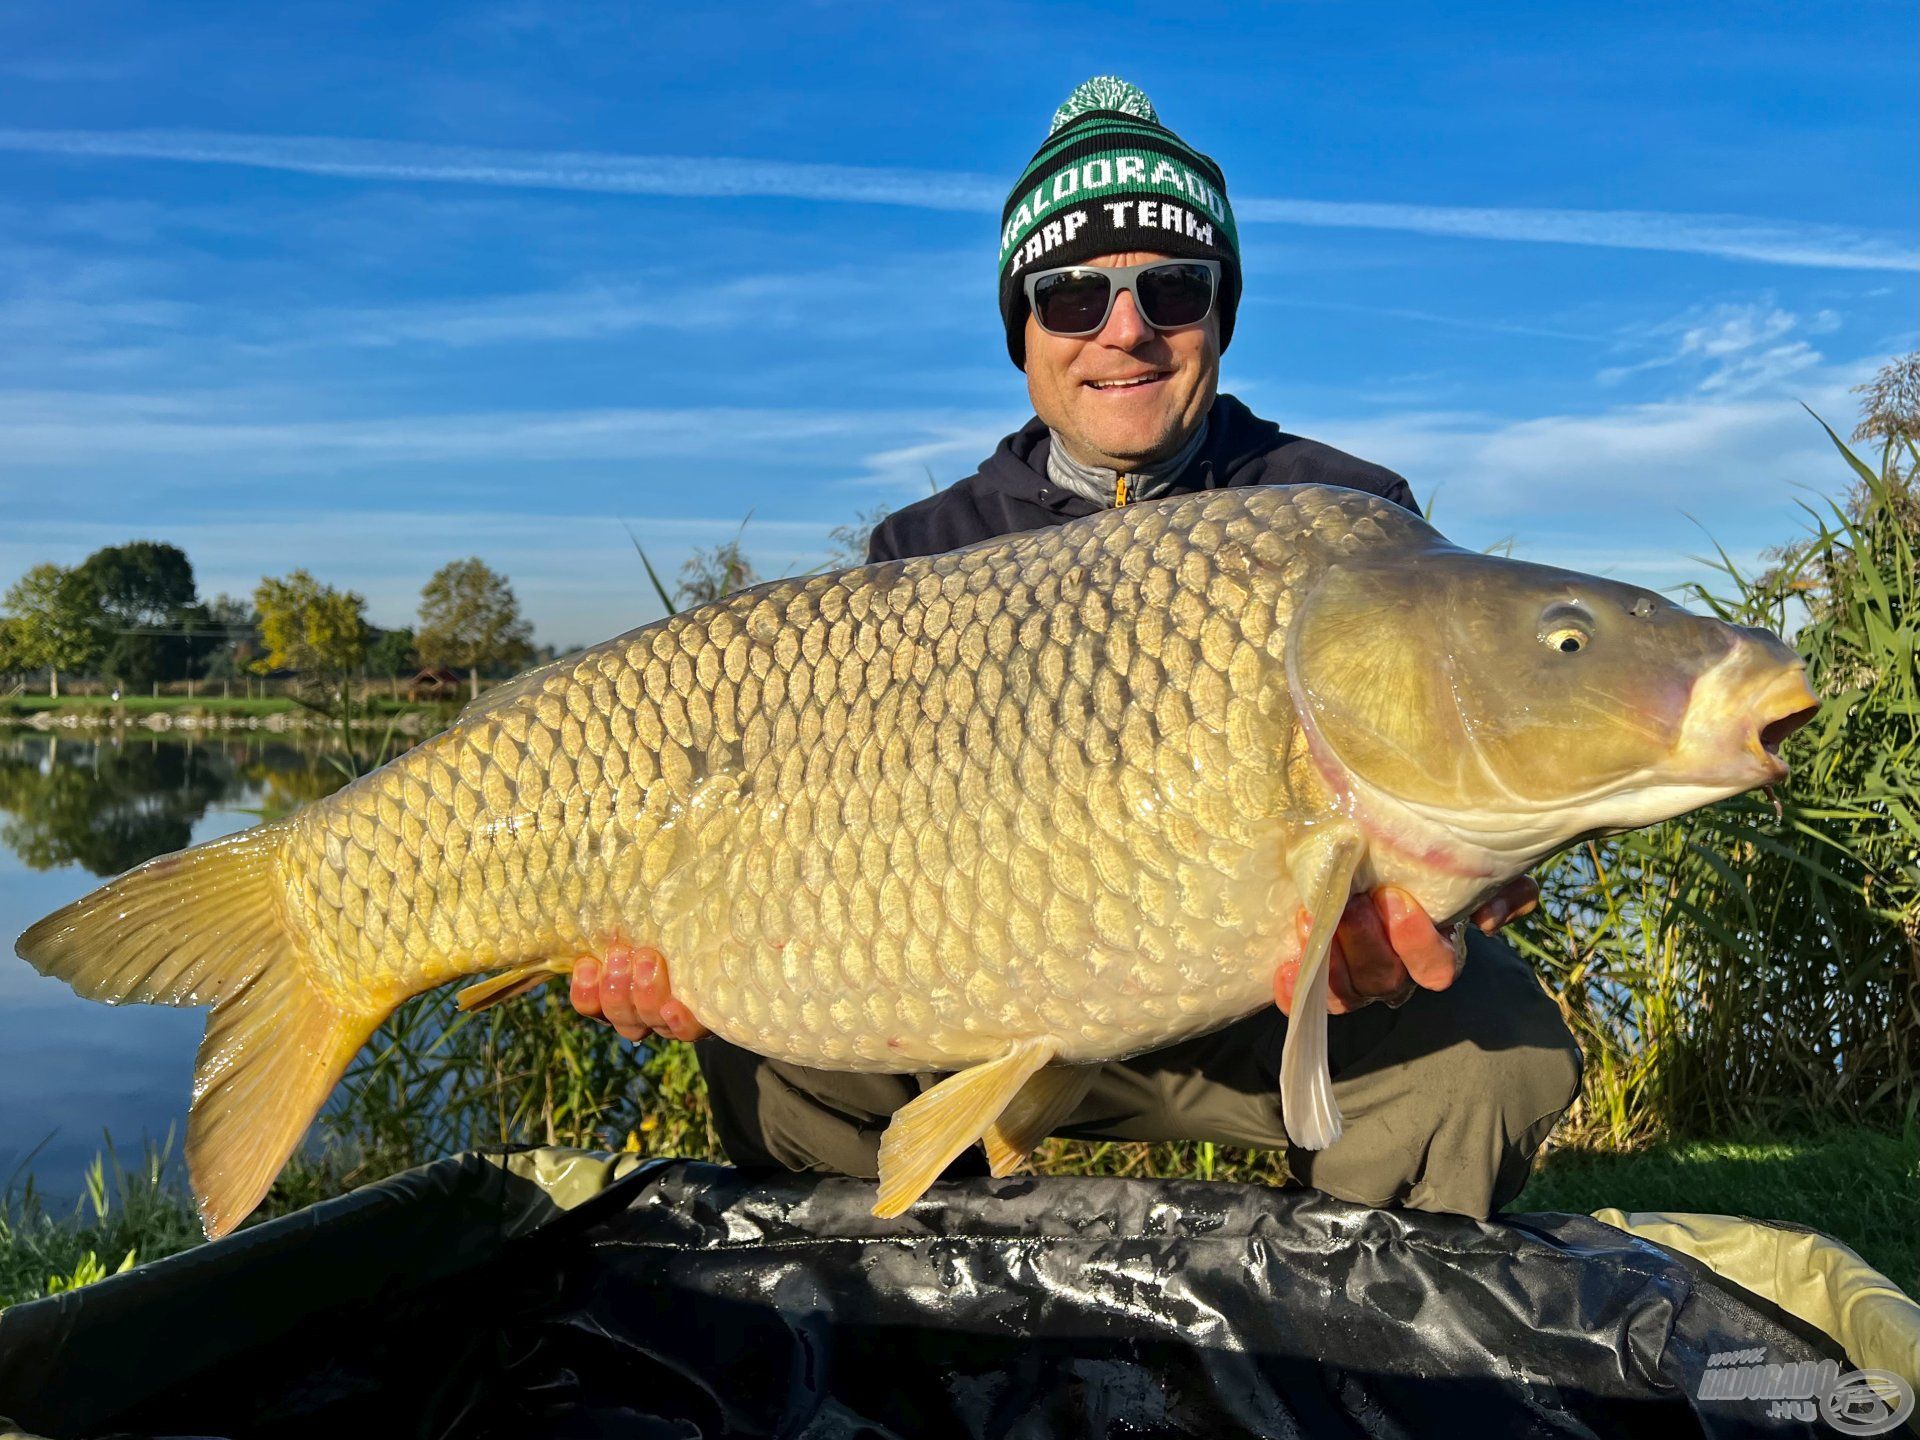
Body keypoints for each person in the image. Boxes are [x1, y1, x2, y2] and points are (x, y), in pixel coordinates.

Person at [571, 77, 1582, 1220]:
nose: (1126, 331)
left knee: (1496, 1050)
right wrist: (702, 949)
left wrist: (1473, 871)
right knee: (766, 1060)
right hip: (972, 993)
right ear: (1022, 330)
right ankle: (918, 1333)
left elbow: (1475, 747)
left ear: (1219, 312)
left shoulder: (1344, 512)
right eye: (1069, 297)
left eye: (1173, 287)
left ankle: (1362, 1356)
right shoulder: (926, 547)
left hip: (1260, 1005)